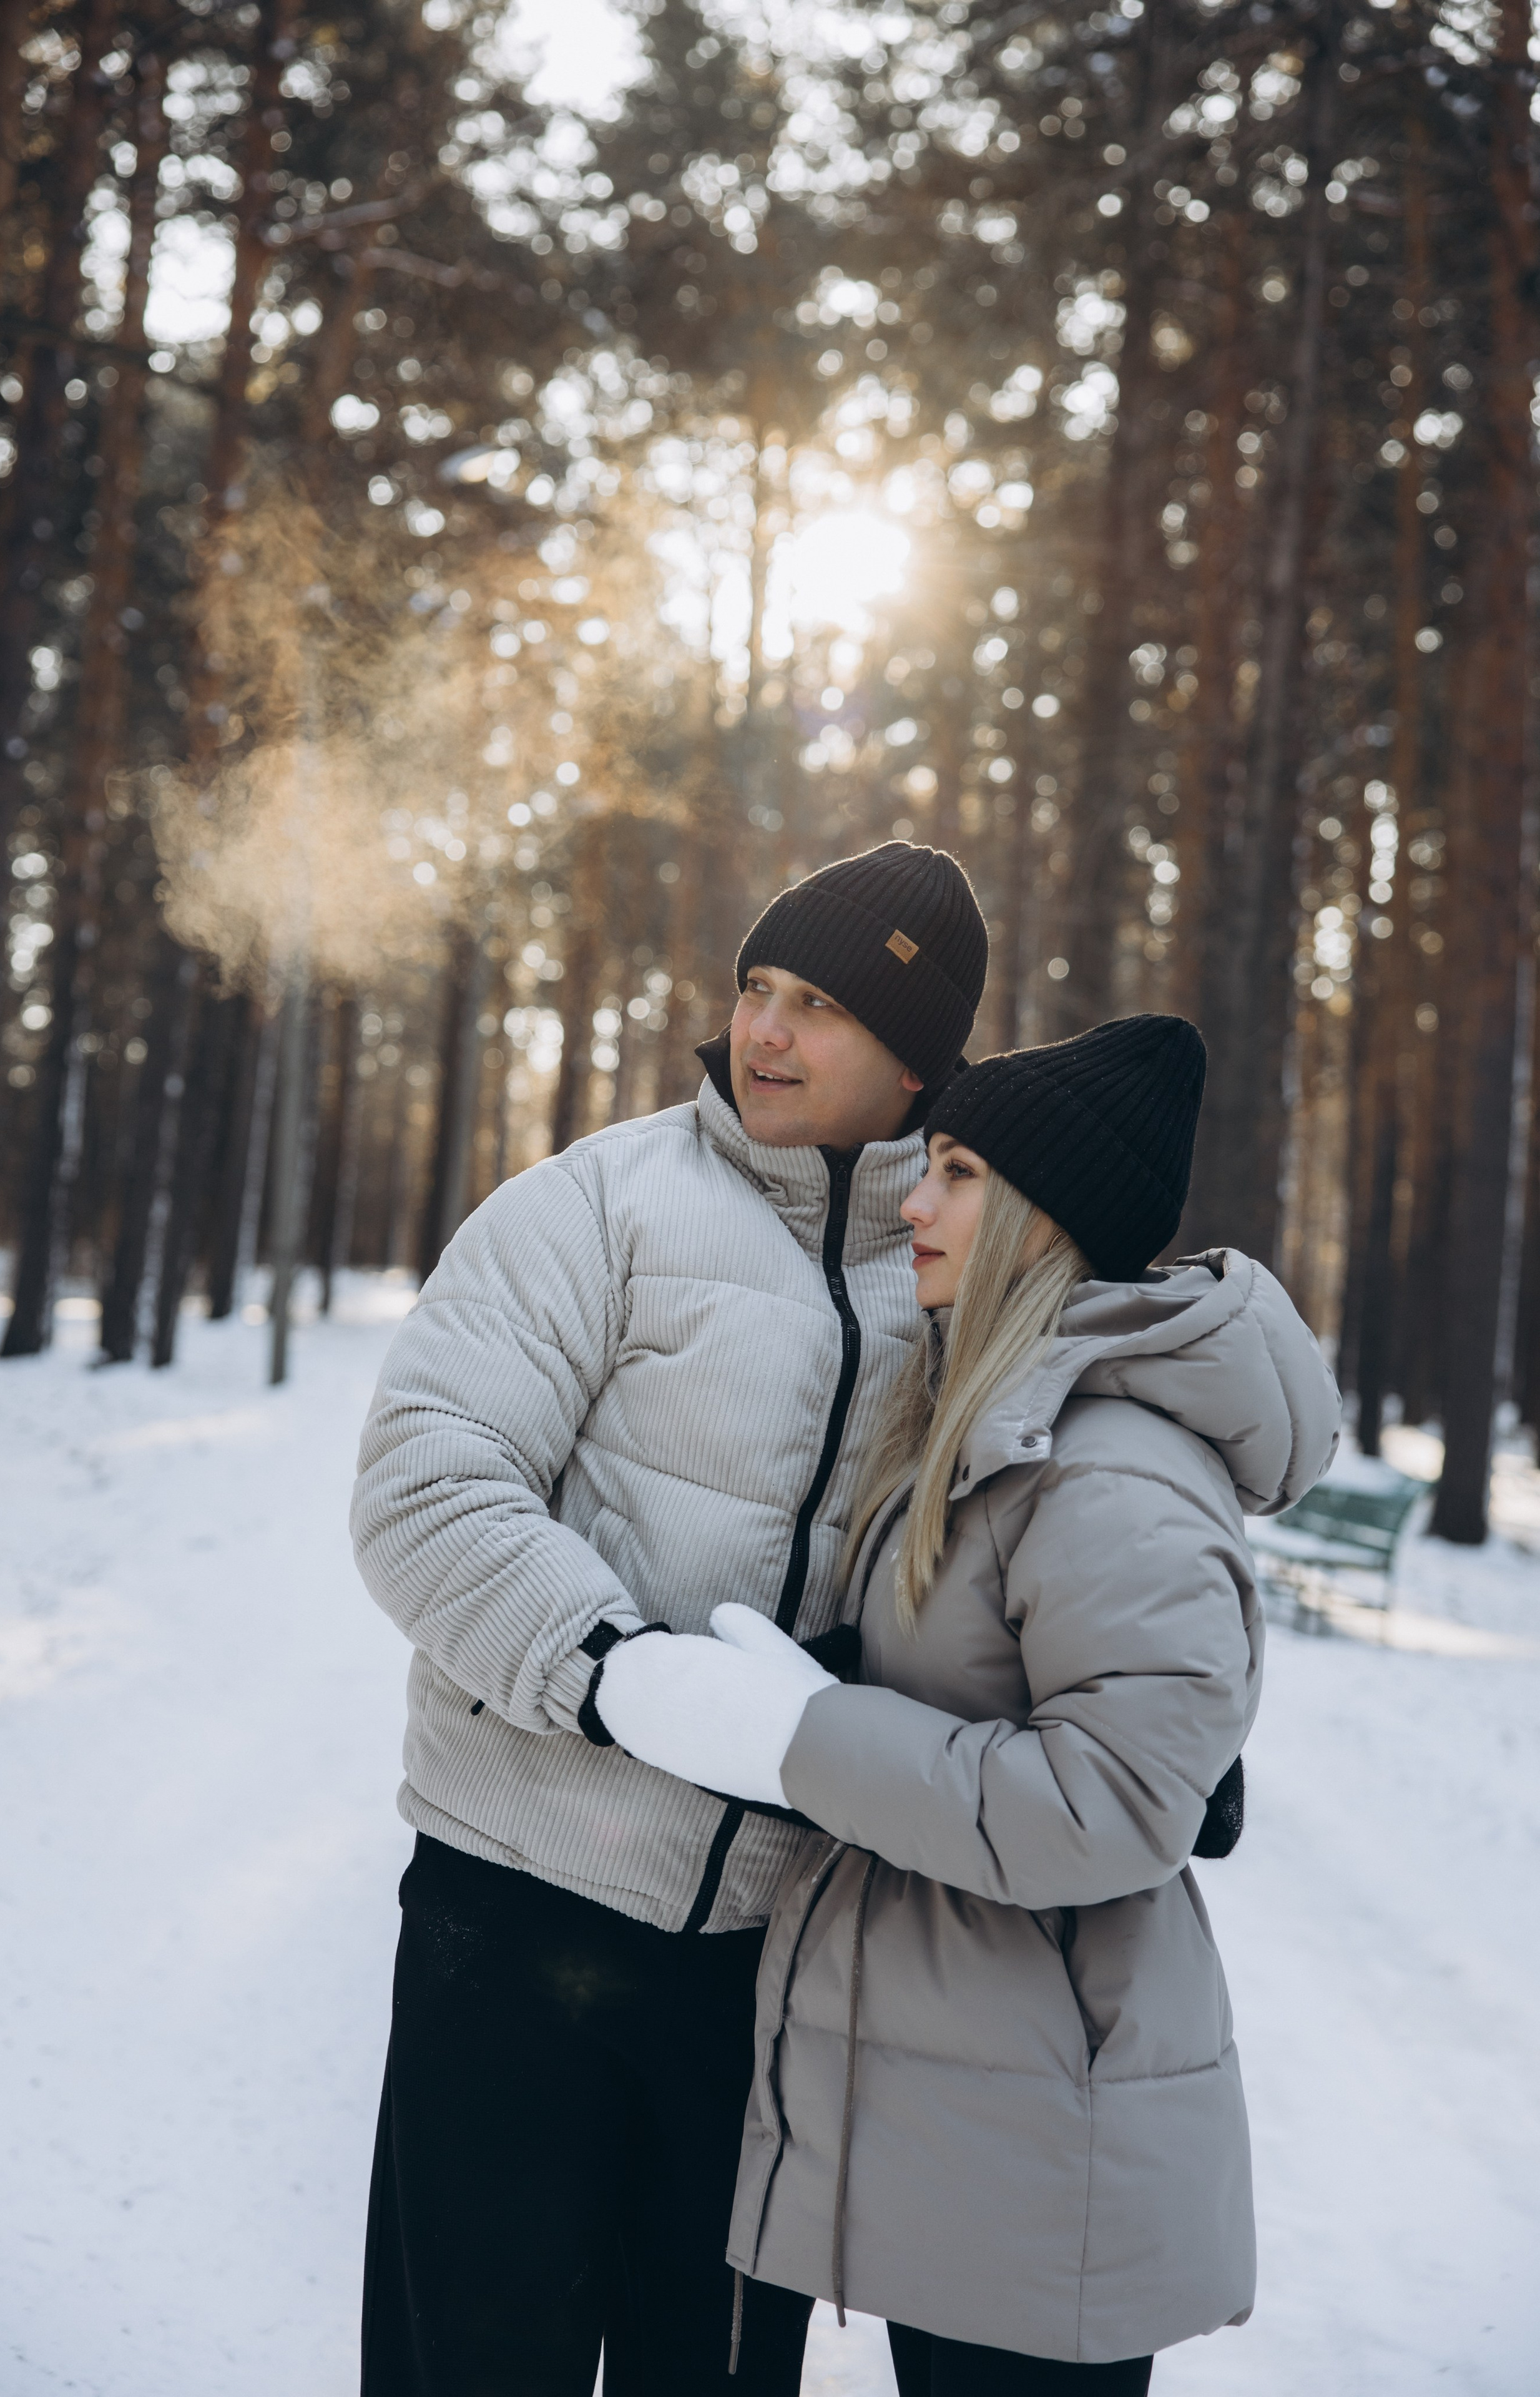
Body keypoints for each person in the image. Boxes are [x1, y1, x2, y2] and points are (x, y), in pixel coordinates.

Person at [596, 1014, 1343, 2394]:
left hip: (1043, 2157)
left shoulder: (1110, 1468)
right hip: (975, 2132)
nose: (912, 1200)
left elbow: (1108, 1809)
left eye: (952, 1173)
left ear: (1039, 1219)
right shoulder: (1000, 1420)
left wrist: (796, 1739)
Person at [350, 841, 990, 2395]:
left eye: (818, 1005)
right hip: (512, 1923)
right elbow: (425, 1481)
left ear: (915, 1065)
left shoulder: (959, 1270)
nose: (761, 1032)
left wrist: (1118, 1721)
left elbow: (1042, 1535)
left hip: (766, 1982)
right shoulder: (600, 1202)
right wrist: (614, 1676)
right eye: (754, 987)